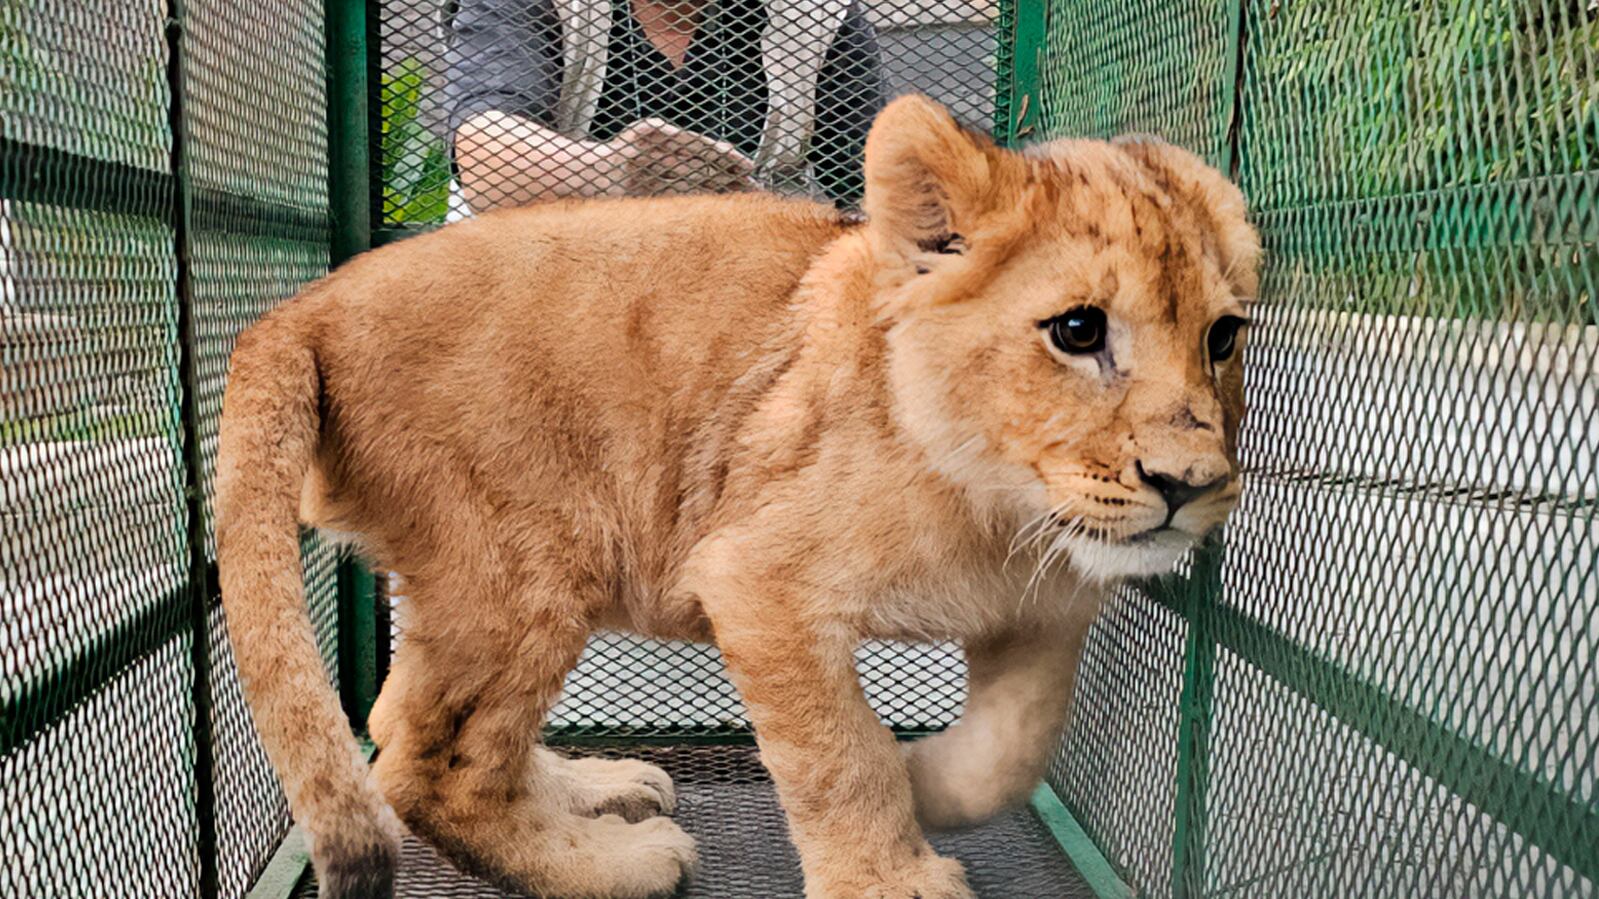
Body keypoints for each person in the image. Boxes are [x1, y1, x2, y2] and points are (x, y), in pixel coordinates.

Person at [444, 0, 887, 214]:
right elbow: (482, 152)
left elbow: (877, 186)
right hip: (560, 275)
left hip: (745, 283)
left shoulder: (816, 12)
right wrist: (610, 172)